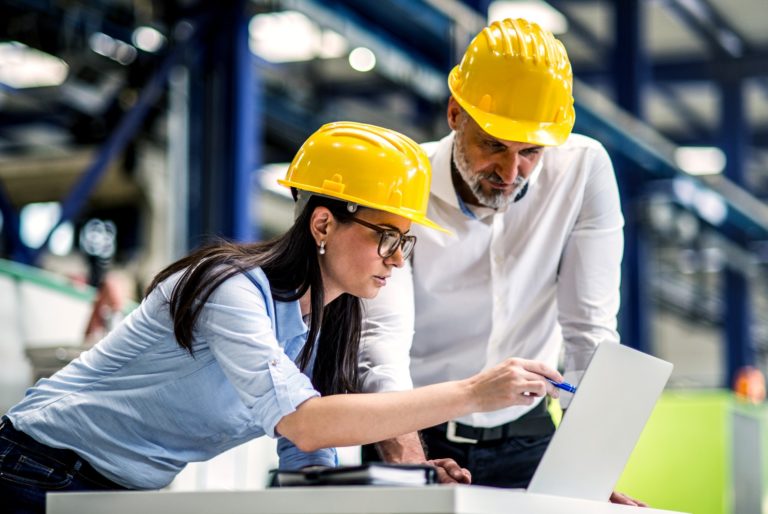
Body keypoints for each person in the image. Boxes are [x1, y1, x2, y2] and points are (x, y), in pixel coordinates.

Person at [0, 121, 564, 514]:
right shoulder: (230, 288)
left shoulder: (325, 328)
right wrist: (470, 393)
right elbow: (304, 422)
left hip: (114, 489)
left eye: (406, 243)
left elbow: (310, 460)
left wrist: (408, 480)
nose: (397, 260)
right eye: (387, 237)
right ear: (322, 226)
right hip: (33, 469)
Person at [350, 19, 643, 506]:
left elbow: (589, 329)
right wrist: (408, 464)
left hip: (528, 435)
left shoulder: (583, 169)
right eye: (493, 145)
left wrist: (590, 471)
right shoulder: (403, 187)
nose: (511, 173)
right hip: (412, 426)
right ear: (454, 114)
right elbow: (380, 345)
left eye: (530, 151)